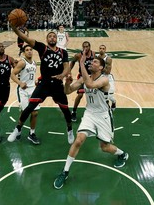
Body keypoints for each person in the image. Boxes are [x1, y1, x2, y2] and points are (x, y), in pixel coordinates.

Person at [53, 51, 129, 189]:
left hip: (103, 115)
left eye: (95, 62)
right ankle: (65, 172)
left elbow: (91, 85)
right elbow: (68, 91)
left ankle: (122, 154)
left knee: (104, 147)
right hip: (89, 113)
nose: (91, 63)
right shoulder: (84, 78)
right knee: (78, 140)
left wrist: (80, 62)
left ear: (101, 67)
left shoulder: (104, 79)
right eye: (91, 61)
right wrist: (67, 83)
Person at [7, 22, 74, 145]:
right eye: (50, 36)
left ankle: (70, 130)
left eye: (54, 36)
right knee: (30, 107)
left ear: (57, 39)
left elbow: (66, 67)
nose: (52, 38)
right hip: (44, 84)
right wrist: (15, 29)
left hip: (57, 85)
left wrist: (63, 75)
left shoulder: (63, 52)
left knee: (65, 110)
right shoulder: (43, 48)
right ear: (47, 39)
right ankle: (17, 129)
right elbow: (25, 38)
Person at [10, 45, 40, 144]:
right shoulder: (22, 62)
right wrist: (20, 83)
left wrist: (35, 81)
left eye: (31, 49)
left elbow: (31, 75)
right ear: (24, 52)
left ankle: (32, 133)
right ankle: (18, 129)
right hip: (23, 91)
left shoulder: (34, 62)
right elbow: (12, 74)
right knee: (24, 112)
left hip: (33, 90)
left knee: (35, 113)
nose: (29, 51)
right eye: (27, 50)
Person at [69, 41, 96, 122]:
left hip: (92, 77)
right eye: (84, 47)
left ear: (90, 46)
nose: (85, 48)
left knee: (94, 95)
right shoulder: (78, 55)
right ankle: (74, 111)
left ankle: (94, 112)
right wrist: (69, 71)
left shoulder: (94, 54)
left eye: (87, 46)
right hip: (82, 77)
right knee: (80, 95)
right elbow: (72, 61)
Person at [97, 44, 116, 111]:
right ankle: (106, 107)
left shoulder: (108, 59)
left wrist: (99, 67)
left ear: (105, 50)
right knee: (102, 95)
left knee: (110, 96)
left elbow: (107, 71)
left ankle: (113, 102)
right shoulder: (96, 58)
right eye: (100, 48)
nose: (101, 50)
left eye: (103, 48)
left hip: (108, 78)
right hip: (100, 77)